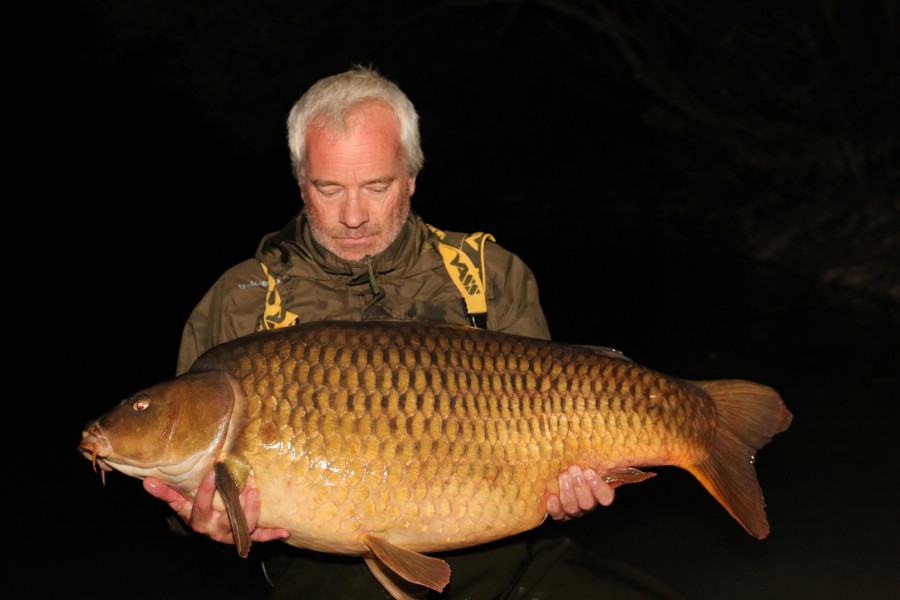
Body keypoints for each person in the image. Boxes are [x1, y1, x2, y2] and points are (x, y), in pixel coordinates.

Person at [143, 66, 682, 599]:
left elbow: (548, 437)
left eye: (377, 186)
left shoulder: (488, 275)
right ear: (301, 182)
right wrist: (202, 517)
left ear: (411, 177)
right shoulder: (240, 302)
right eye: (329, 189)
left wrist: (571, 489)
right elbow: (184, 481)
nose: (353, 216)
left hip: (501, 560)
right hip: (323, 576)